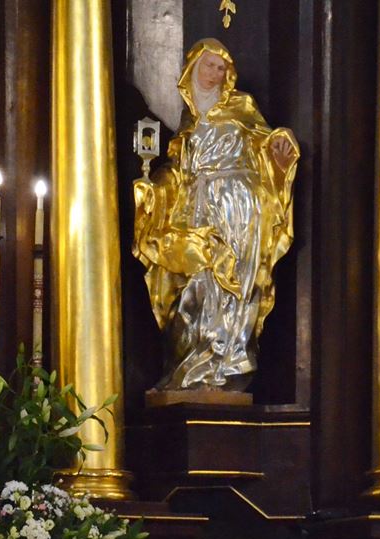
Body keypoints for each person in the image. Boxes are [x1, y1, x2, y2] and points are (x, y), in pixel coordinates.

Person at [132, 38, 299, 392]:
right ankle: (194, 364)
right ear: (193, 67)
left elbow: (267, 143)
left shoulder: (241, 106)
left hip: (239, 207)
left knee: (235, 285)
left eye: (221, 68)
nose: (215, 73)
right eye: (209, 65)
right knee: (198, 284)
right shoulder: (188, 121)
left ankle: (231, 361)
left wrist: (282, 153)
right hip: (197, 210)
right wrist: (153, 189)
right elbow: (176, 173)